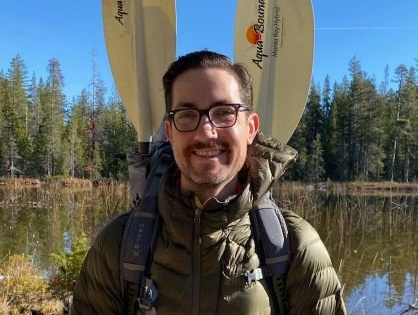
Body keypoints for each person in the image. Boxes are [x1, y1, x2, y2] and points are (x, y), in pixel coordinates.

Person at [71, 50, 347, 315]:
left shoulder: (295, 246)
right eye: (187, 115)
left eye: (224, 112)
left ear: (250, 128)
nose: (206, 131)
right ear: (170, 132)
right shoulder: (118, 245)